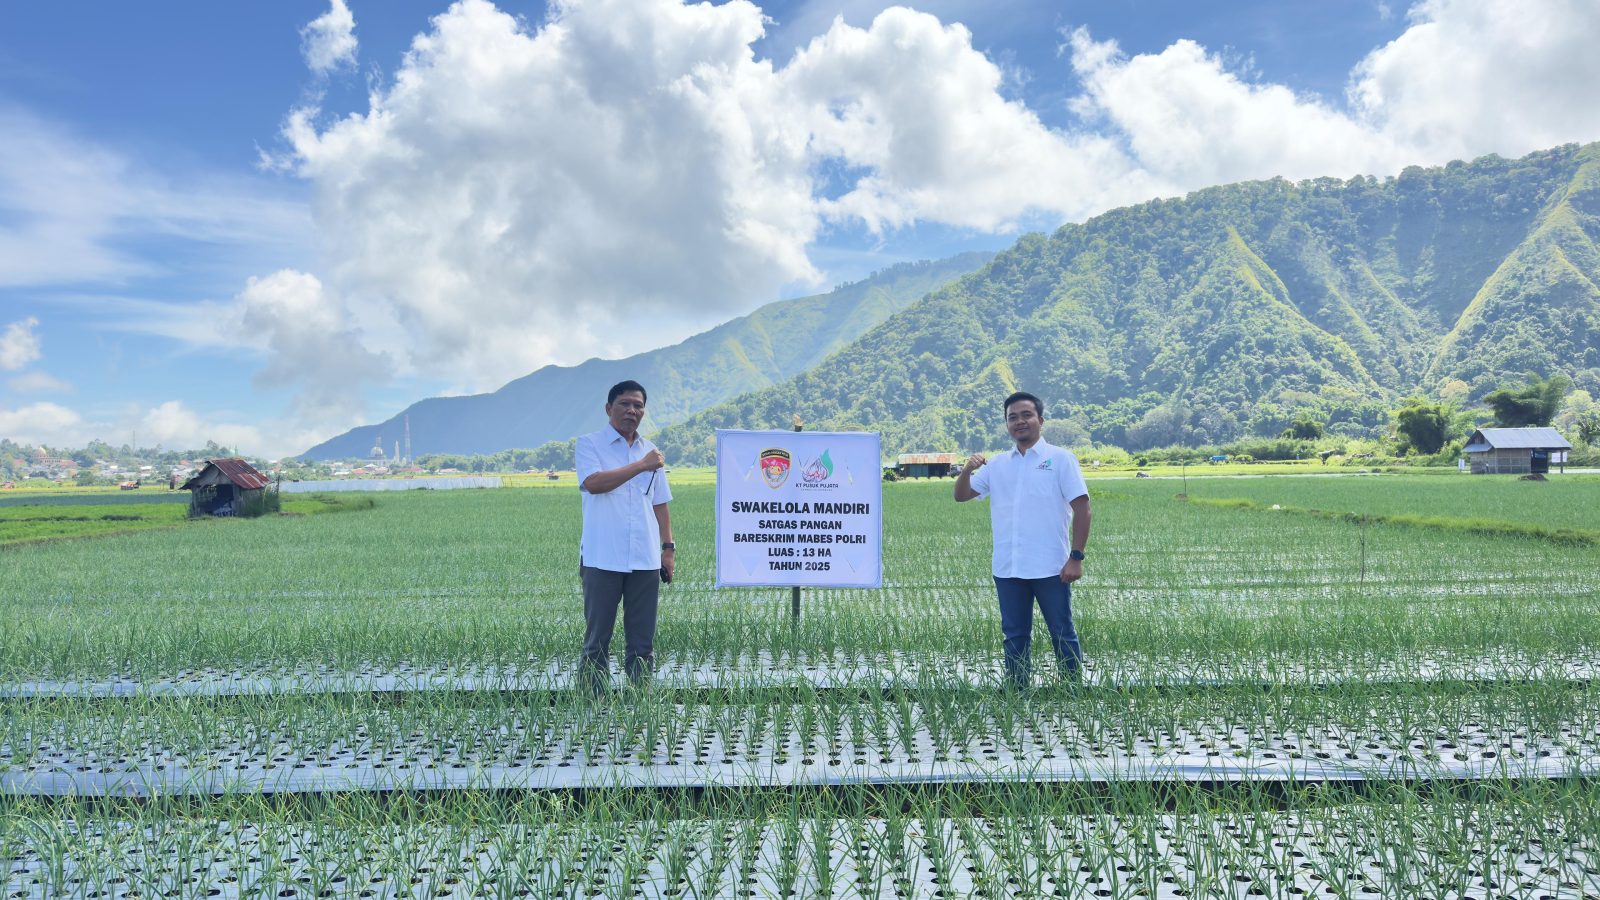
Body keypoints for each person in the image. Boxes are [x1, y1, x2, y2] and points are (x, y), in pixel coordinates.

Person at [954, 391, 1091, 689]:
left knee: (1062, 631)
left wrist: (1076, 557)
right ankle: (1017, 693)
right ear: (1007, 425)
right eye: (1012, 417)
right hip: (1008, 567)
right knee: (1014, 635)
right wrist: (967, 470)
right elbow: (961, 495)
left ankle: (1072, 690)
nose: (1019, 422)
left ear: (1040, 420)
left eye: (1026, 415)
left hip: (1051, 567)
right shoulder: (998, 465)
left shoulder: (1061, 460)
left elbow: (1083, 509)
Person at [575, 380, 675, 694]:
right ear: (609, 408)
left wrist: (668, 548)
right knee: (597, 639)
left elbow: (659, 502)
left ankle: (639, 702)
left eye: (638, 405)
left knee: (642, 640)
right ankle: (592, 705)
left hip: (644, 558)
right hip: (602, 557)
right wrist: (640, 466)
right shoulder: (590, 444)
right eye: (624, 404)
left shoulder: (650, 451)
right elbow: (593, 483)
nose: (632, 410)